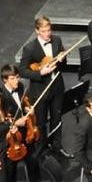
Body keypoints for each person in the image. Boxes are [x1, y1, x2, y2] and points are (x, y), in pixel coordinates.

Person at [0, 64, 46, 182]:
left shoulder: (20, 88)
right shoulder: (0, 96)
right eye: (12, 78)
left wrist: (28, 109)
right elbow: (0, 120)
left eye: (17, 77)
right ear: (5, 80)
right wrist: (14, 124)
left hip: (26, 134)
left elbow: (25, 103)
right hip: (12, 139)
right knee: (11, 170)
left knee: (33, 162)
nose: (16, 81)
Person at [18, 16, 66, 153]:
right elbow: (22, 71)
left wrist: (62, 59)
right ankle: (42, 149)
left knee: (57, 119)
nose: (47, 34)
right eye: (43, 31)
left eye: (49, 30)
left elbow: (63, 64)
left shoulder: (57, 40)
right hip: (40, 90)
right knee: (41, 122)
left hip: (57, 87)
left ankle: (57, 147)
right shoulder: (30, 48)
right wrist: (40, 73)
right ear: (37, 31)